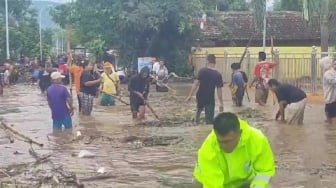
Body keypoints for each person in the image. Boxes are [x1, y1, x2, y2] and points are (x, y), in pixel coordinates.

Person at [194, 112, 275, 188]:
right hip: (209, 182)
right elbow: (212, 185)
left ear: (240, 133)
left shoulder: (257, 139)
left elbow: (264, 171)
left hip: (244, 180)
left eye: (228, 141)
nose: (224, 146)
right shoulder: (207, 150)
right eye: (221, 142)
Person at [186, 54, 224, 124]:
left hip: (200, 95)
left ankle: (195, 125)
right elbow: (219, 90)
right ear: (215, 62)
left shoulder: (202, 71)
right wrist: (221, 103)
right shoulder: (218, 74)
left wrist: (189, 96)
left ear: (207, 61)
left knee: (198, 110)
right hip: (210, 98)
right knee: (209, 120)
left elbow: (195, 84)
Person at [323, 60, 336, 124]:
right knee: (329, 115)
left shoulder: (329, 72)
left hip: (332, 99)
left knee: (332, 117)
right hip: (330, 98)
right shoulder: (328, 73)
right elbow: (333, 81)